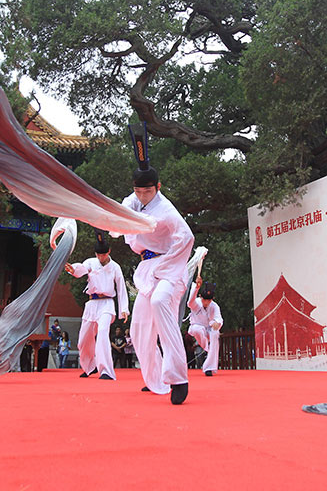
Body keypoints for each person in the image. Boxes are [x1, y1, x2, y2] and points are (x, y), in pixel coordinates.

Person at [119, 122, 195, 405]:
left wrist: (168, 269)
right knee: (139, 328)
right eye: (138, 191)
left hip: (169, 269)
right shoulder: (134, 200)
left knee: (160, 302)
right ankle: (154, 381)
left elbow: (186, 238)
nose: (142, 196)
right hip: (147, 268)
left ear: (158, 187)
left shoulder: (168, 211)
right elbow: (121, 214)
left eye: (147, 192)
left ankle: (178, 377)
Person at [65, 229, 129, 379]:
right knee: (83, 339)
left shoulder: (115, 267)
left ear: (109, 252)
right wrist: (73, 269)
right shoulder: (91, 262)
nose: (101, 257)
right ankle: (90, 366)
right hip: (91, 304)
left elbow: (121, 288)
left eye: (104, 254)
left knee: (102, 334)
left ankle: (106, 370)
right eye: (98, 254)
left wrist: (124, 309)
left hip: (107, 304)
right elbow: (82, 268)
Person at [187, 277, 223, 376]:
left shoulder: (214, 306)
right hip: (197, 328)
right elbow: (190, 302)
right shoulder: (196, 303)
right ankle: (207, 348)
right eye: (204, 299)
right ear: (200, 297)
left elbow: (219, 318)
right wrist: (197, 287)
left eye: (209, 300)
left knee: (215, 333)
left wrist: (217, 323)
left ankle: (209, 367)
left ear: (212, 299)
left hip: (208, 330)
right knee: (197, 330)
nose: (206, 302)